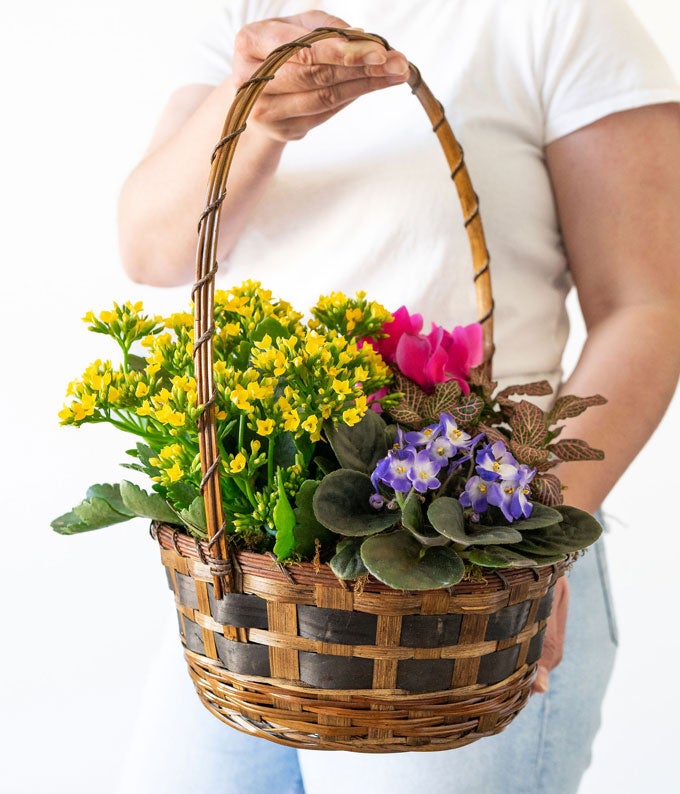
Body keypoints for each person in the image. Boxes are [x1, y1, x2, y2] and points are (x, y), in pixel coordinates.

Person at [116, 1, 680, 792]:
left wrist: (527, 557)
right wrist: (258, 116)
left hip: (457, 572)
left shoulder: (560, 16)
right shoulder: (252, 14)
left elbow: (647, 307)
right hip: (251, 577)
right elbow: (151, 249)